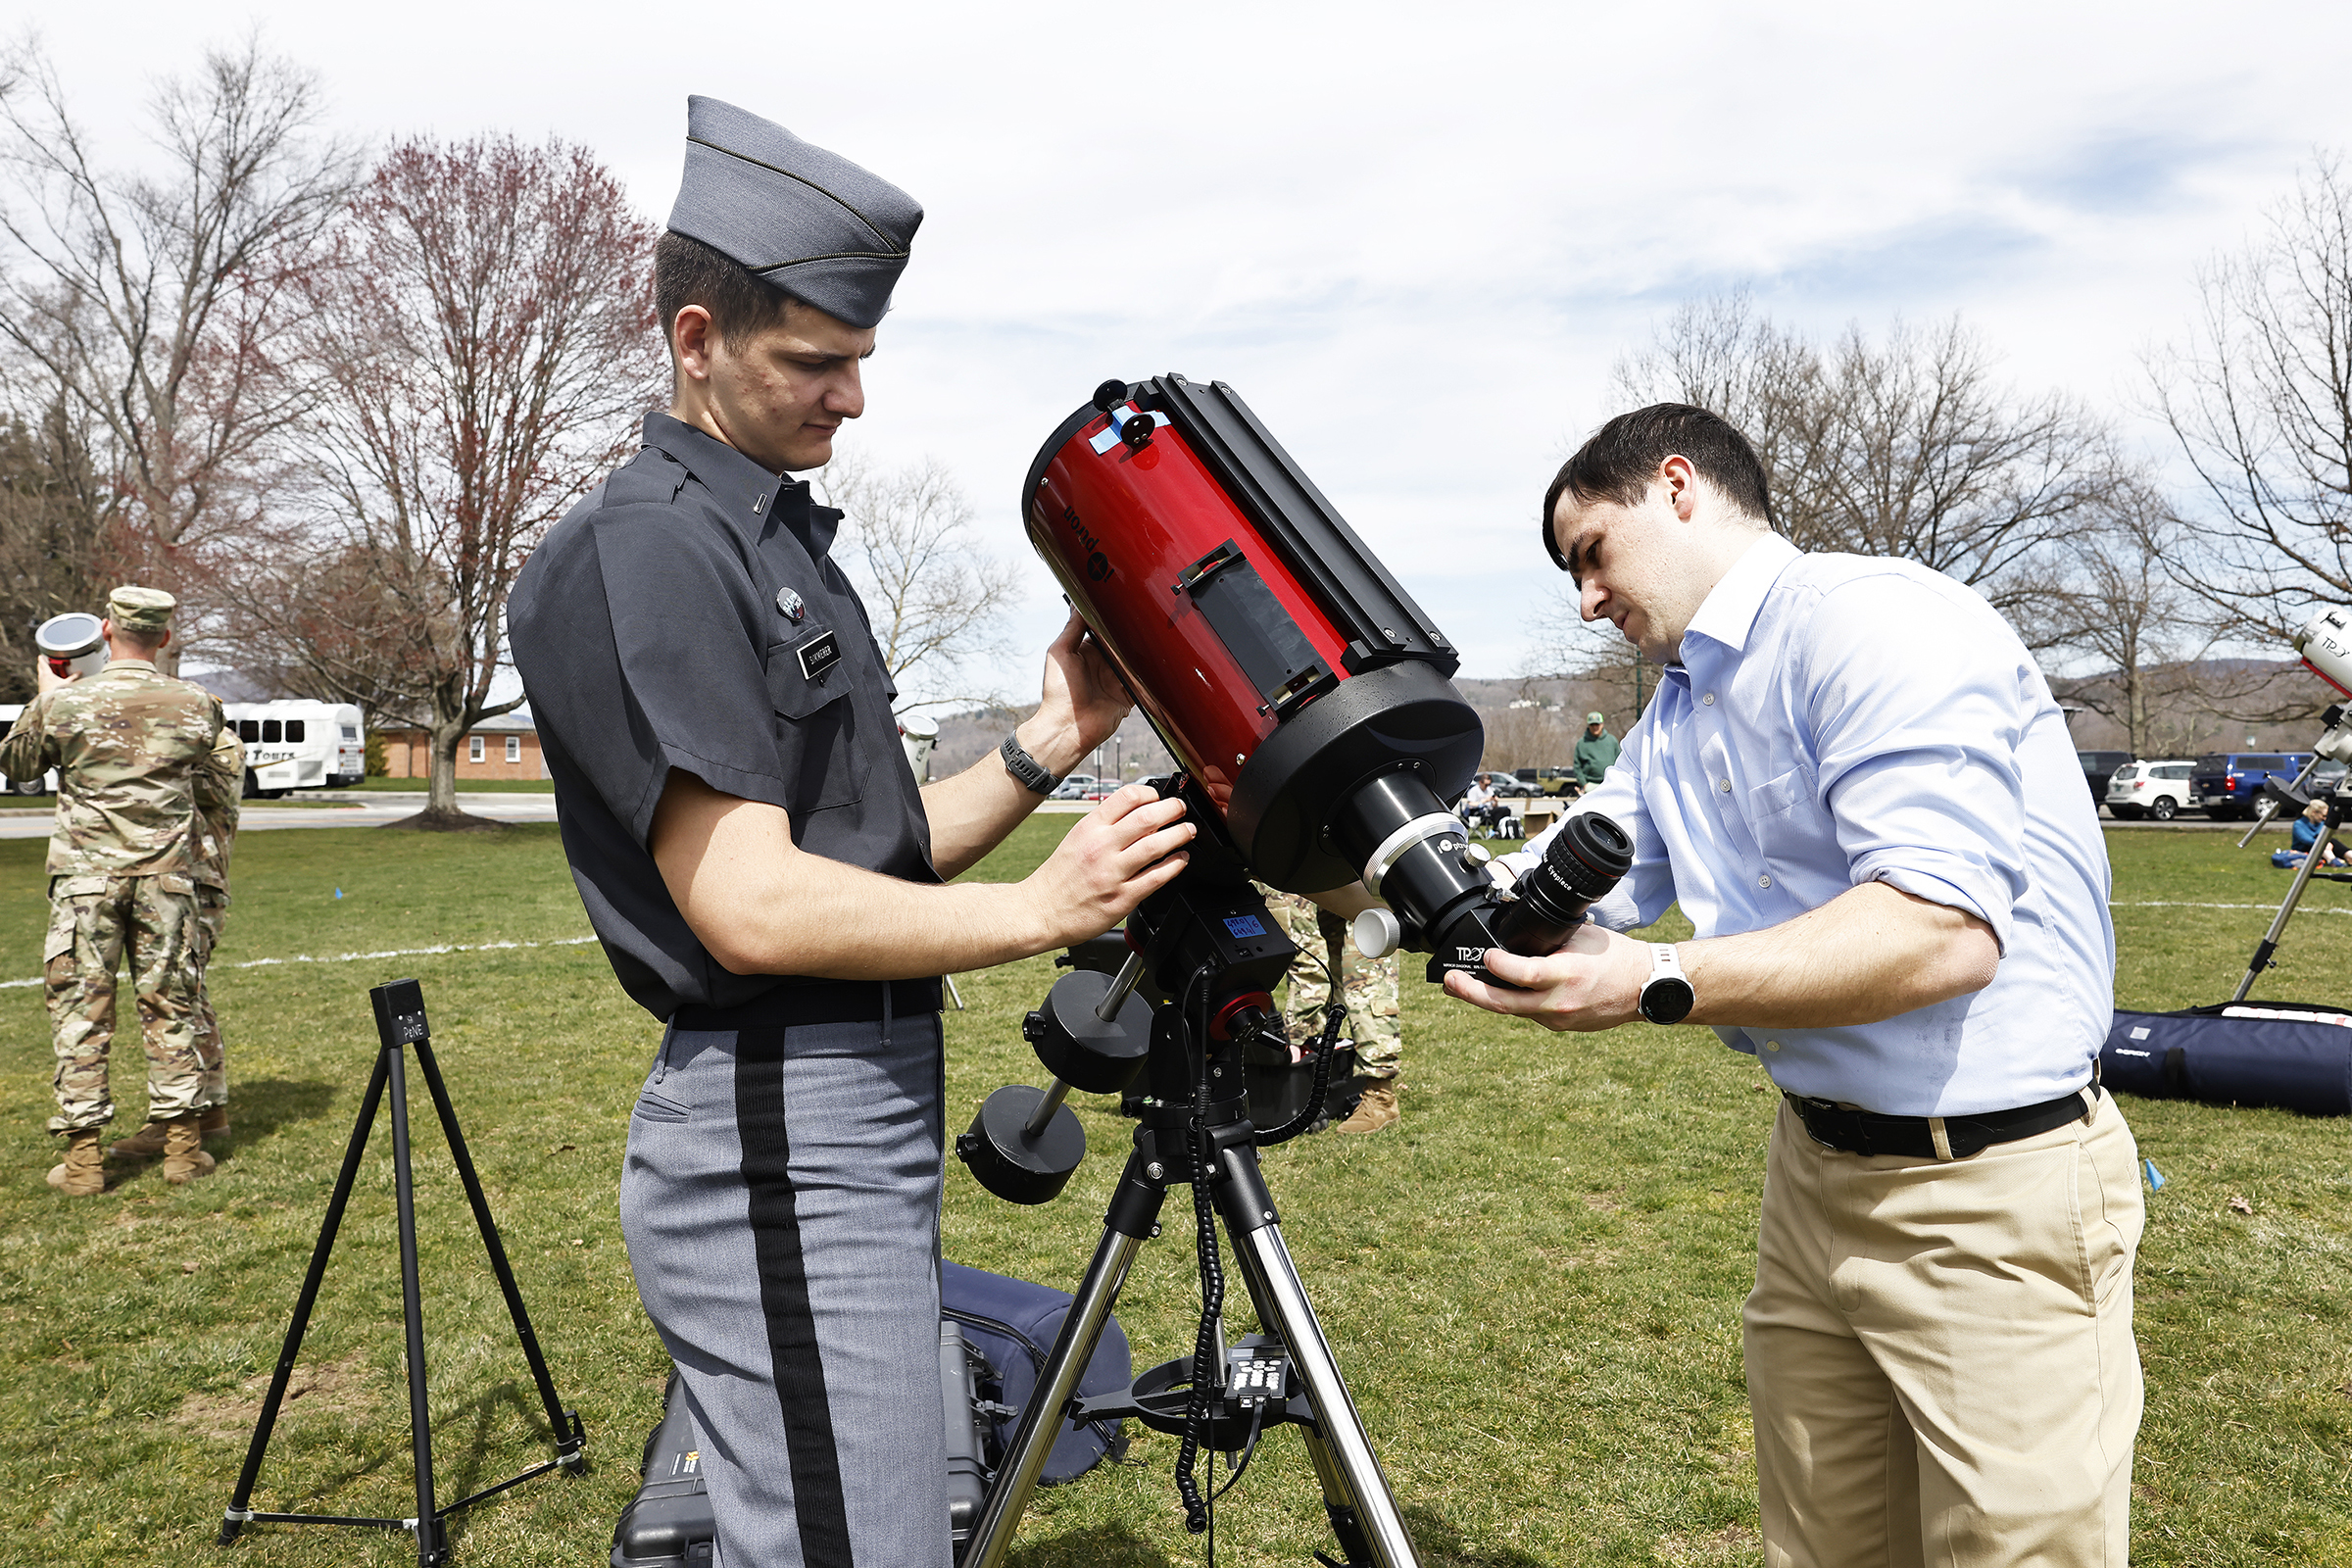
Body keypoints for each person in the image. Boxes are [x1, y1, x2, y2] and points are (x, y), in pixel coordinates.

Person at [506, 99, 1194, 1568]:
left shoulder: (761, 538)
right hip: (780, 1117)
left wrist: (1051, 738)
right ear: (696, 342)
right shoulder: (654, 548)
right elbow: (753, 907)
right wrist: (1044, 911)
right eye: (815, 363)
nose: (853, 402)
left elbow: (865, 855)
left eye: (861, 362)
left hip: (847, 1110)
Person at [1459, 404, 2137, 1566]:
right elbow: (1568, 880)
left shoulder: (1874, 623)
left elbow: (1938, 931)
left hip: (1988, 1185)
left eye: (1591, 554)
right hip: (1814, 1175)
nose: (1586, 599)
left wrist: (1657, 982)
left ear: (1679, 487)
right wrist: (1364, 859)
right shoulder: (1676, 709)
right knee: (1821, 1549)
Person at [0, 587, 238, 1194]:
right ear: (163, 638)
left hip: (86, 881)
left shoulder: (66, 703)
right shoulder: (197, 705)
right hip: (168, 880)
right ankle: (183, 1153)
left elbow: (18, 766)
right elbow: (215, 787)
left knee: (81, 1013)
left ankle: (83, 1165)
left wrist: (47, 695)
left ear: (106, 631)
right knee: (171, 1005)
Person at [113, 721, 244, 1159]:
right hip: (173, 882)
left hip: (196, 886)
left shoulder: (220, 741)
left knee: (177, 993)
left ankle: (182, 1117)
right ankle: (206, 1110)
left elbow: (207, 790)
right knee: (187, 990)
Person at [1260, 888, 1405, 1132]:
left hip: (1355, 864)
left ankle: (1380, 1097)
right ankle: (1306, 1073)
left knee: (1367, 964)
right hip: (1291, 865)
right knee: (1308, 951)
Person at [1573, 710, 1619, 792]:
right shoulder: (1582, 743)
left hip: (1610, 782)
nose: (1595, 727)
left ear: (1602, 724)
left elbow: (1620, 760)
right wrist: (1584, 784)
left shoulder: (1612, 741)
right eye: (1592, 725)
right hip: (1590, 785)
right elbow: (1577, 766)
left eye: (1597, 724)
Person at [2292, 798, 2347, 866]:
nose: (2324, 818)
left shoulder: (2321, 824)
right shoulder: (2299, 824)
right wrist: (2324, 842)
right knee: (2322, 841)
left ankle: (2348, 854)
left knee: (2330, 840)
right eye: (2323, 815)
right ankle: (2332, 860)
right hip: (2304, 850)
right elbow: (2306, 840)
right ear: (2313, 812)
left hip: (2321, 848)